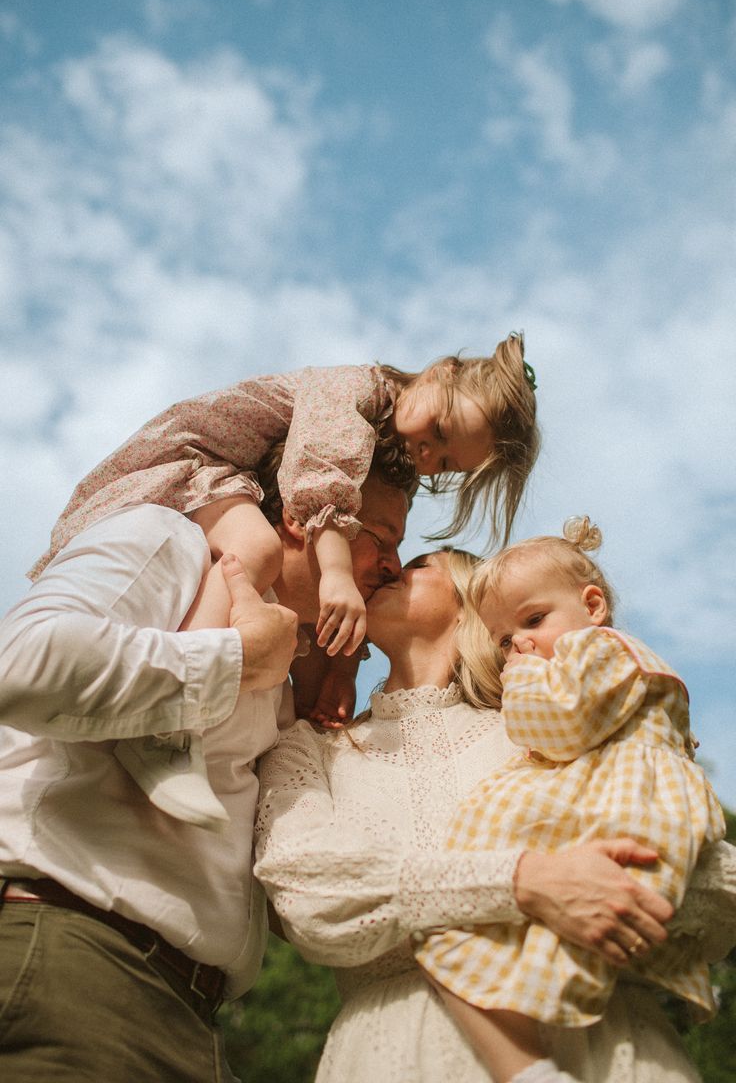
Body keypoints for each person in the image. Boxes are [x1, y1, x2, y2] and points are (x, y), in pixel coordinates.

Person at [254, 548, 736, 1083]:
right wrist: (521, 881)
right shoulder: (308, 749)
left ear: (473, 607)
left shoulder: (554, 728)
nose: (389, 567)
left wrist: (627, 884)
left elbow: (705, 879)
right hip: (395, 1055)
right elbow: (307, 894)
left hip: (604, 1042)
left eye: (418, 564)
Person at [0, 460, 410, 1082]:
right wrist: (236, 659)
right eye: (380, 538)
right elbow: (23, 665)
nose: (393, 567)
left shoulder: (287, 682)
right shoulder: (168, 541)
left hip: (190, 1017)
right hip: (73, 958)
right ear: (303, 519)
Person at [27, 335, 539, 829]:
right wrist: (337, 572)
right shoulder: (354, 389)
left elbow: (341, 576)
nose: (429, 455)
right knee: (258, 549)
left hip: (244, 486)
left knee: (290, 592)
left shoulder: (394, 446)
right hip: (191, 463)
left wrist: (339, 672)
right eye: (442, 431)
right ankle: (168, 726)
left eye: (445, 462)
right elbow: (320, 475)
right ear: (441, 372)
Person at [415, 519, 725, 1083]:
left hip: (630, 807)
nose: (521, 644)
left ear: (593, 605)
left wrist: (526, 679)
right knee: (468, 948)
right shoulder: (590, 662)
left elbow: (557, 727)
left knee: (540, 945)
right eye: (506, 640)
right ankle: (537, 1064)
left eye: (533, 621)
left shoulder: (599, 649)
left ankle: (537, 1064)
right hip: (617, 797)